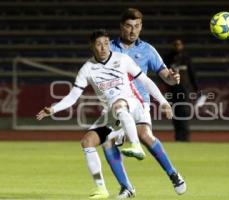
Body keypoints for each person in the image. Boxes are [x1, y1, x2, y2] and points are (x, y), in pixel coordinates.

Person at [36, 29, 173, 199]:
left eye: (106, 43)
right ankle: (101, 189)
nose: (103, 48)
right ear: (92, 46)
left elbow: (145, 81)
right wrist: (54, 109)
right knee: (87, 142)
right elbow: (73, 96)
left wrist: (163, 102)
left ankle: (136, 145)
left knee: (119, 106)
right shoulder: (87, 69)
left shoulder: (122, 59)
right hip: (113, 112)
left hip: (131, 102)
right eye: (99, 44)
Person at [100, 8, 187, 199]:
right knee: (107, 141)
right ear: (121, 27)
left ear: (141, 27)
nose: (133, 31)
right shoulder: (109, 48)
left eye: (137, 26)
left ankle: (173, 174)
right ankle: (126, 187)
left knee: (145, 135)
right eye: (129, 26)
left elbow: (166, 76)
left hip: (140, 103)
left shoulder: (147, 50)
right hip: (117, 103)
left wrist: (173, 78)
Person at [164, 39, 197, 141]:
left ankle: (185, 137)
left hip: (185, 91)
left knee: (184, 113)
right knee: (175, 114)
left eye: (179, 44)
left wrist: (195, 88)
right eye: (175, 44)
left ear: (182, 45)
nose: (177, 46)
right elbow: (163, 74)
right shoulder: (168, 58)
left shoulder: (186, 58)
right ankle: (178, 137)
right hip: (173, 91)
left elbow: (192, 74)